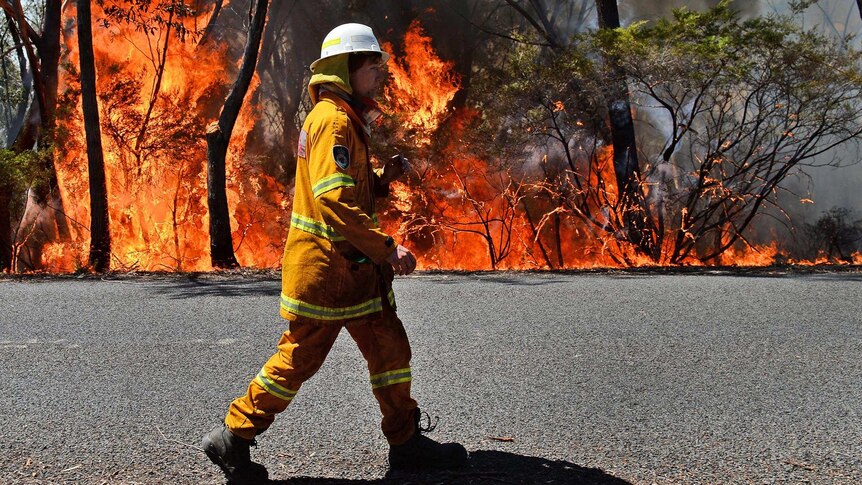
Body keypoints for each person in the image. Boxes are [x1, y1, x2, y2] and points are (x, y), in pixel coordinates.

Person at [202, 23, 468, 483]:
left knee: (390, 349)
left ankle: (405, 444)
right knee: (298, 361)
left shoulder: (342, 119)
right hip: (328, 274)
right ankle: (233, 436)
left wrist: (383, 178)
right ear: (347, 70)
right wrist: (388, 249)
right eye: (371, 66)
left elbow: (347, 188)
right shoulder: (334, 121)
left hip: (352, 275)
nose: (379, 75)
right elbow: (332, 198)